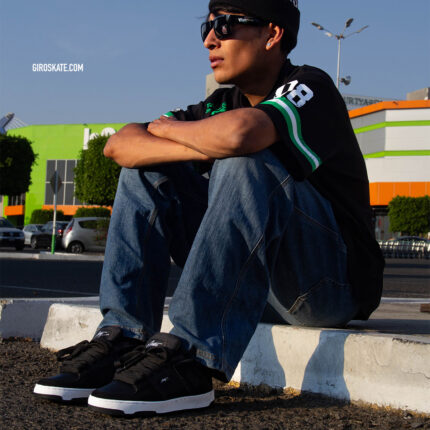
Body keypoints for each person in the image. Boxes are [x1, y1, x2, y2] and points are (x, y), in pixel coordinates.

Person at [34, 0, 384, 416]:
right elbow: (120, 145)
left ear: (273, 34)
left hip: (326, 287)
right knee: (145, 172)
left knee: (245, 161)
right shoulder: (222, 103)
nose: (209, 40)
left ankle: (191, 358)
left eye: (226, 25)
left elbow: (241, 135)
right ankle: (124, 338)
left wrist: (178, 133)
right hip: (257, 284)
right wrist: (203, 142)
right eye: (207, 26)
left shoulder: (310, 86)